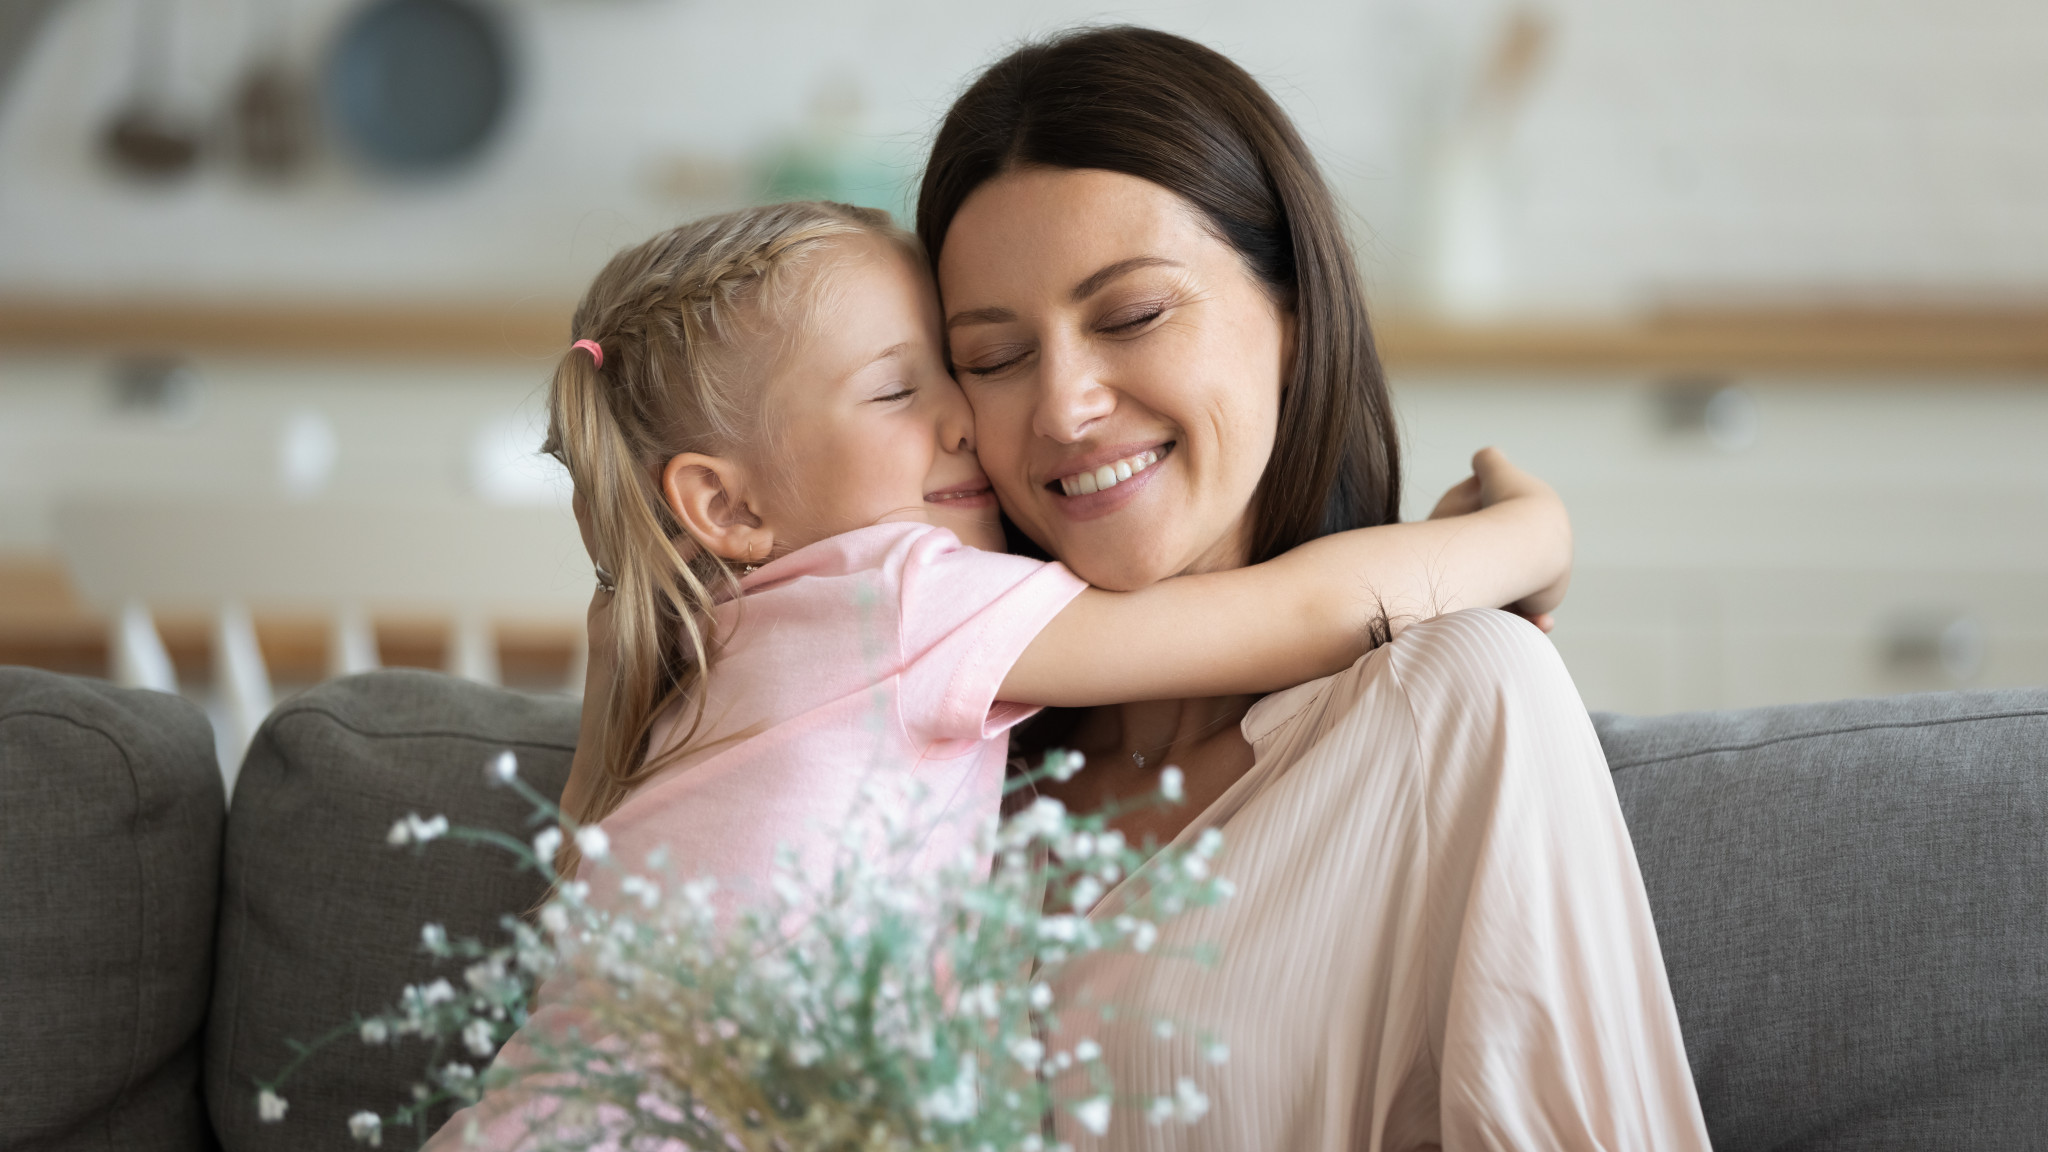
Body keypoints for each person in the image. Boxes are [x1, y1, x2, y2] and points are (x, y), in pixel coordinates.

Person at [429, 199, 1569, 1147]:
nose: (968, 422)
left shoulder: (701, 642)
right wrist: (1532, 535)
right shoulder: (894, 595)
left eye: (957, 372)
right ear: (725, 505)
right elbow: (1297, 613)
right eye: (895, 390)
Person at [918, 26, 1713, 1150]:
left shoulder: (1454, 710)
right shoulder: (933, 743)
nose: (1061, 408)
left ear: (1290, 318)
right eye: (993, 357)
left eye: (1131, 315)